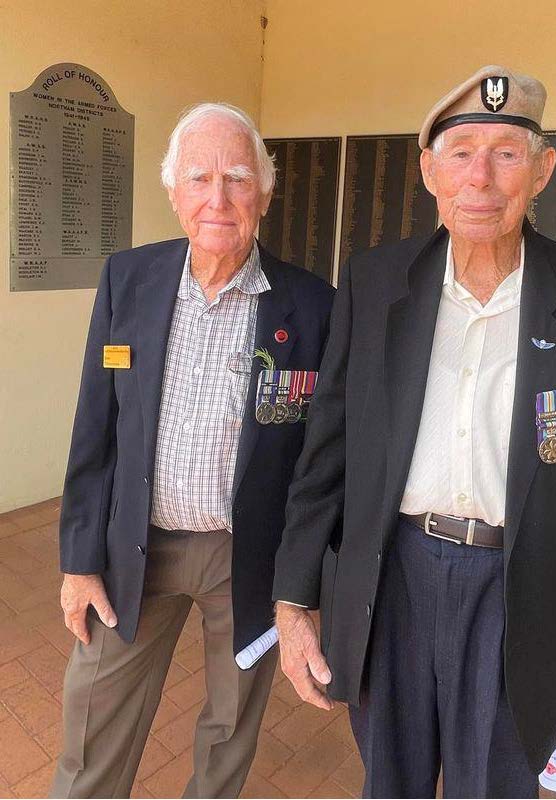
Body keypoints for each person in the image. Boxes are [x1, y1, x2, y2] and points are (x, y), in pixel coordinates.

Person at [273, 65, 556, 798]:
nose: (480, 178)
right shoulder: (374, 284)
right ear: (429, 171)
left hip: (523, 595)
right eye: (460, 154)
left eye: (506, 153)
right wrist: (292, 604)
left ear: (542, 170)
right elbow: (327, 452)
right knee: (390, 783)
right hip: (391, 581)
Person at [51, 102, 334, 798]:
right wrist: (79, 562)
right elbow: (95, 427)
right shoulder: (128, 280)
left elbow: (319, 460)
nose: (218, 198)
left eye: (237, 178)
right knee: (93, 717)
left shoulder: (313, 306)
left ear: (264, 193)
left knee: (230, 726)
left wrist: (301, 586)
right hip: (134, 545)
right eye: (199, 178)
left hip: (246, 555)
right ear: (173, 192)